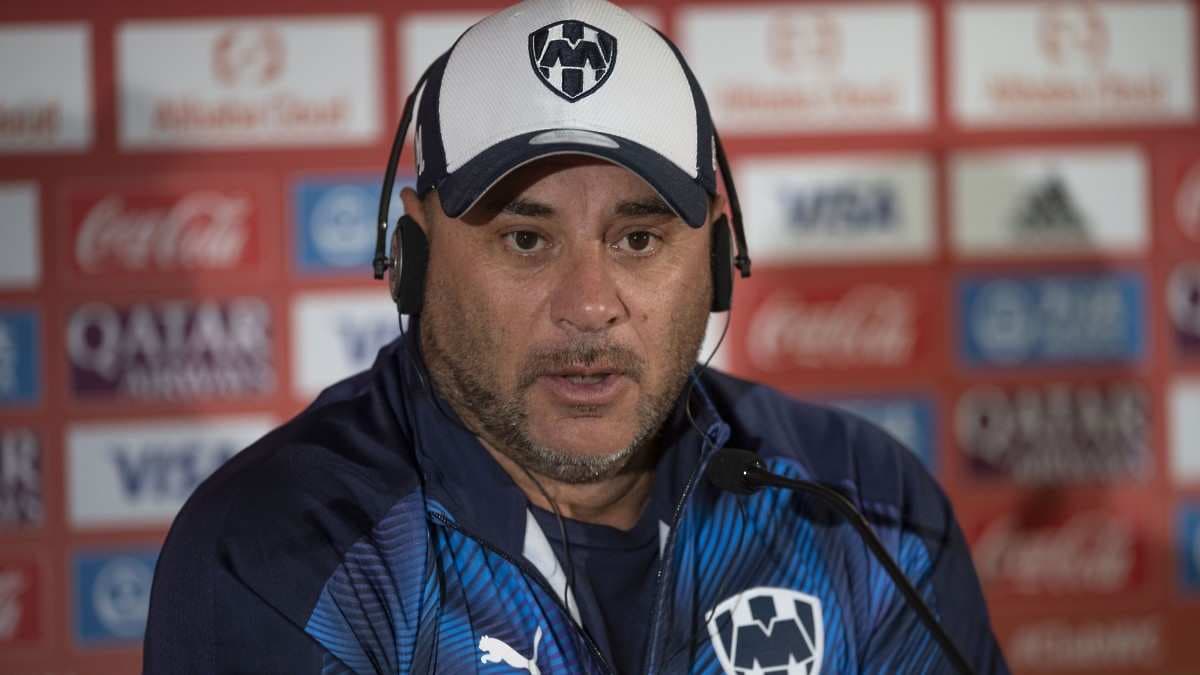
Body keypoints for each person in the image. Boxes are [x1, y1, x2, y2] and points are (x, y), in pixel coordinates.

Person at [144, 1, 1009, 673]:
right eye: (526, 240)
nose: (590, 306)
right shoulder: (287, 552)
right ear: (414, 256)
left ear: (715, 257)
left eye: (638, 240)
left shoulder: (860, 507)